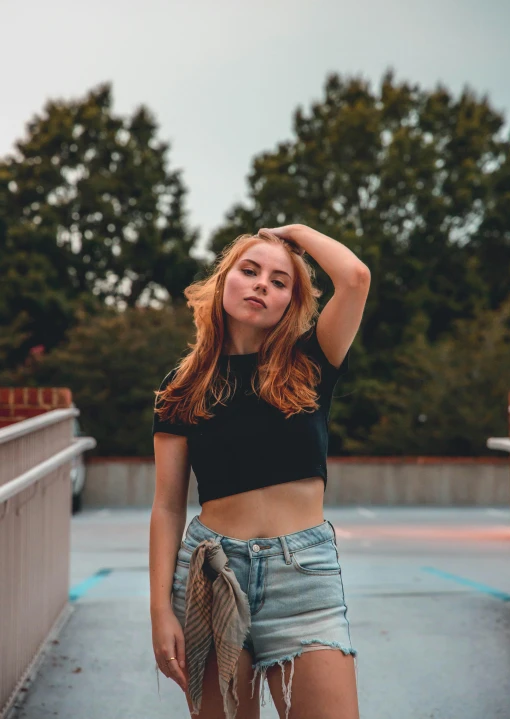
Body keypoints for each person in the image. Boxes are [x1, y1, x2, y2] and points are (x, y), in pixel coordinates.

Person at [149, 224, 370, 719]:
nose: (260, 285)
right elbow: (166, 505)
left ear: (290, 302)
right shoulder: (182, 386)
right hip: (210, 577)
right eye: (249, 271)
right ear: (225, 280)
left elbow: (354, 277)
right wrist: (160, 608)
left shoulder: (313, 361)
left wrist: (290, 233)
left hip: (304, 578)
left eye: (278, 280)